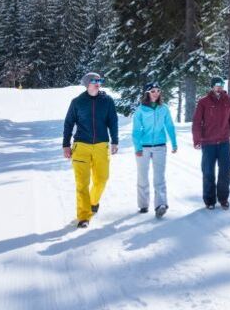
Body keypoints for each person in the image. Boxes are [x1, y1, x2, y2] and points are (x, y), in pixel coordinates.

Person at [63, 72, 119, 228]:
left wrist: (115, 140)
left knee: (102, 179)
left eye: (100, 80)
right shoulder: (77, 102)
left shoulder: (107, 101)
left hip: (101, 146)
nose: (98, 83)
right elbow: (68, 124)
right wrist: (66, 145)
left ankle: (93, 202)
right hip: (81, 146)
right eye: (95, 81)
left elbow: (113, 121)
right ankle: (83, 216)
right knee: (82, 184)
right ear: (87, 83)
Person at [192, 77, 230, 210]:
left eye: (221, 85)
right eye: (217, 85)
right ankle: (209, 200)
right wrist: (197, 140)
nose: (219, 87)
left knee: (226, 170)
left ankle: (223, 198)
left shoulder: (229, 101)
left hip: (224, 142)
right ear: (212, 87)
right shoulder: (203, 102)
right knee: (208, 172)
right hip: (208, 143)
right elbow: (196, 122)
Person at [132, 82, 177, 218]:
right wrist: (138, 147)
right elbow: (136, 130)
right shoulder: (140, 110)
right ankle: (143, 204)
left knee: (159, 177)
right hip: (143, 148)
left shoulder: (163, 108)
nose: (156, 93)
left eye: (158, 91)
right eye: (153, 91)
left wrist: (174, 143)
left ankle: (160, 205)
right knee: (143, 177)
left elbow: (169, 126)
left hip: (160, 146)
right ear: (147, 93)